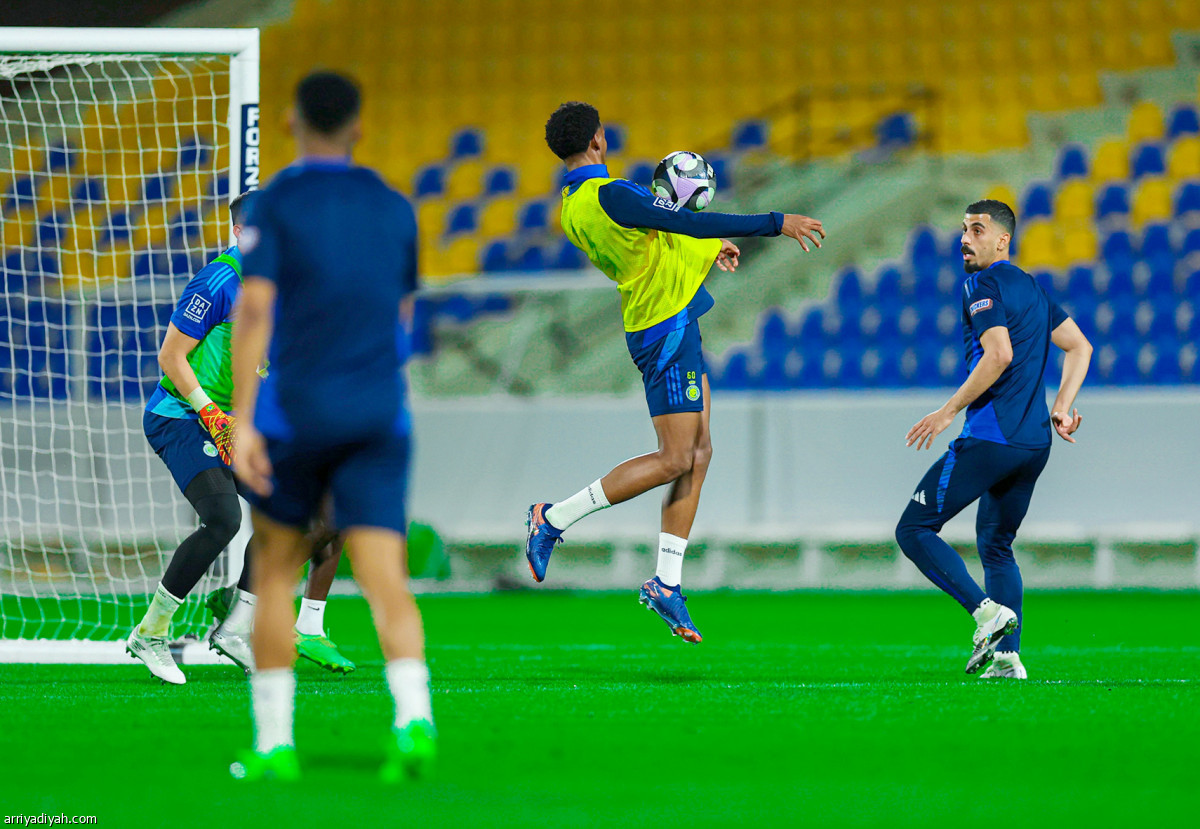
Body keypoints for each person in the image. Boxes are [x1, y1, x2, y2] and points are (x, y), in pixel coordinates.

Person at [525, 101, 825, 643]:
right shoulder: (610, 192)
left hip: (670, 317)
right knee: (675, 457)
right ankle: (553, 519)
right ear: (598, 139)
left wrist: (709, 249)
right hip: (664, 330)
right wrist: (777, 223)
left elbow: (652, 244)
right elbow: (677, 220)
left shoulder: (573, 205)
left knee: (700, 451)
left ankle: (667, 583)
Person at [229, 70, 433, 782]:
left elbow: (255, 309)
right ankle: (414, 720)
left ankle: (275, 742)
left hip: (296, 412)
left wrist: (246, 421)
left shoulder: (277, 202)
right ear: (359, 126)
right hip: (378, 409)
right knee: (386, 577)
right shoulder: (394, 207)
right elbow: (402, 315)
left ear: (290, 122)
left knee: (277, 572)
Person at [127, 192, 352, 683]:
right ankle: (151, 632)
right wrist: (212, 414)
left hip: (240, 422)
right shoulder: (218, 282)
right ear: (237, 233)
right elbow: (171, 357)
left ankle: (235, 628)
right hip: (182, 416)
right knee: (224, 518)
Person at [895, 199, 1092, 678]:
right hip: (1033, 445)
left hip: (992, 436)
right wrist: (1061, 408)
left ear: (1002, 239)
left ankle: (987, 614)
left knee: (914, 530)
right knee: (997, 546)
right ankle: (1007, 658)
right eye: (963, 228)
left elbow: (998, 353)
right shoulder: (1032, 288)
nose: (965, 238)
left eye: (977, 230)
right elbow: (1079, 346)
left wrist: (948, 411)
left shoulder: (981, 284)